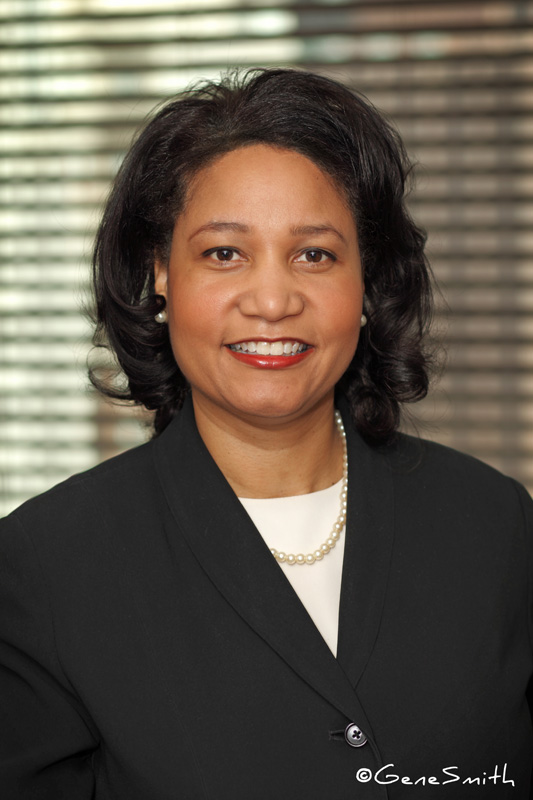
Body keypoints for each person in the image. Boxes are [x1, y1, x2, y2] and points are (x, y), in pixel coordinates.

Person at [0, 67, 532, 799]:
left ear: (366, 283)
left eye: (314, 254)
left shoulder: (492, 523)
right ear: (159, 274)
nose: (273, 300)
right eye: (224, 253)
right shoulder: (45, 567)